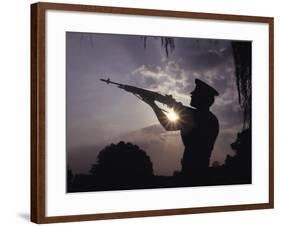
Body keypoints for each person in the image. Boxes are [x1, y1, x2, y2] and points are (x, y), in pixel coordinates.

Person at [143, 79, 219, 185]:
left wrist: (153, 105)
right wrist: (173, 104)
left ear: (202, 98)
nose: (191, 94)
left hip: (193, 173)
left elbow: (168, 126)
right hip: (200, 170)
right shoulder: (211, 118)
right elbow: (185, 112)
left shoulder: (197, 116)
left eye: (196, 92)